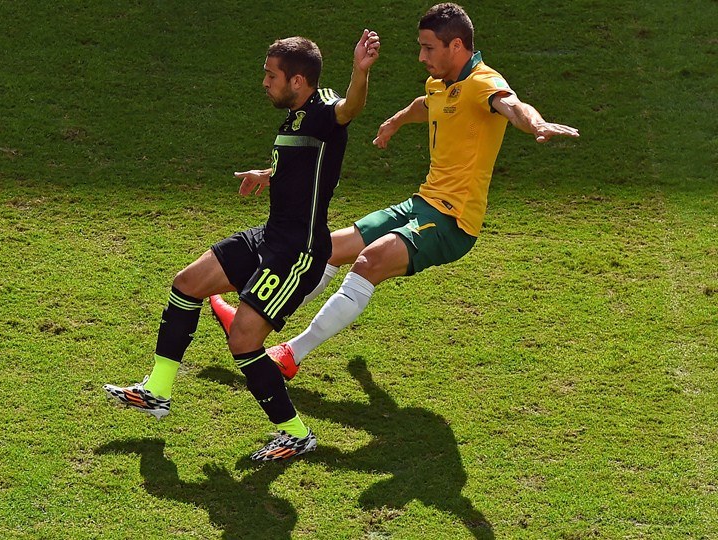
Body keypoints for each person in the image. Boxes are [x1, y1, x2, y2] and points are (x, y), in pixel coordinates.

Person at [211, 3, 579, 380]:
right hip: (421, 203)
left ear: (456, 45)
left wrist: (537, 124)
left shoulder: (483, 83)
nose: (421, 57)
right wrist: (397, 121)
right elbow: (428, 104)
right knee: (327, 248)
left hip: (453, 220)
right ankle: (250, 320)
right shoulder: (440, 83)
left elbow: (512, 105)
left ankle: (291, 353)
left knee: (370, 261)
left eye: (428, 48)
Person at [104, 30, 381, 461]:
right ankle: (157, 391)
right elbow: (306, 165)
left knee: (243, 340)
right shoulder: (298, 115)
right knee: (188, 283)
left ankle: (295, 433)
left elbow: (350, 108)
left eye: (271, 75)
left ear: (297, 81)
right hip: (269, 235)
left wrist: (359, 72)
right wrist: (268, 173)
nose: (264, 82)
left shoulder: (326, 111)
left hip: (298, 251)